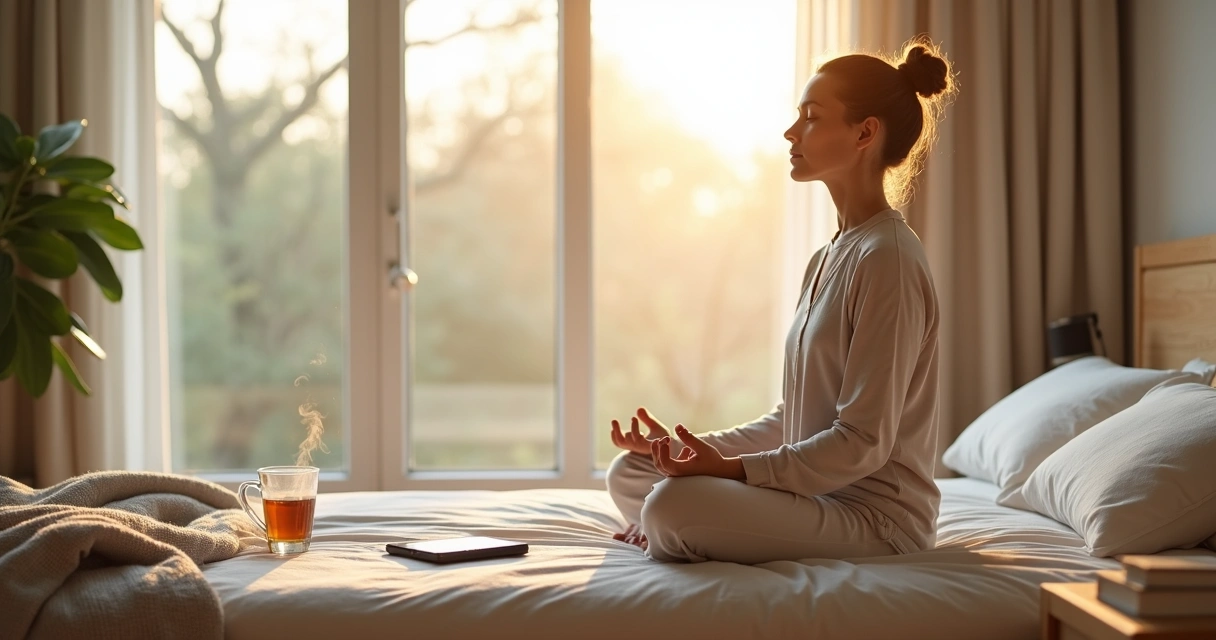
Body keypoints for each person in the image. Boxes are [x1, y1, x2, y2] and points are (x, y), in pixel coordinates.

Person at [605, 39, 955, 564]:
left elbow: (862, 442)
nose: (791, 132)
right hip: (812, 495)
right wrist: (694, 450)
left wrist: (726, 472)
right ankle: (675, 518)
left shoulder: (891, 260)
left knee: (669, 505)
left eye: (811, 118)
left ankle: (669, 524)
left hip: (874, 517)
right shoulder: (826, 257)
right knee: (632, 473)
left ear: (865, 132)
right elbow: (793, 418)